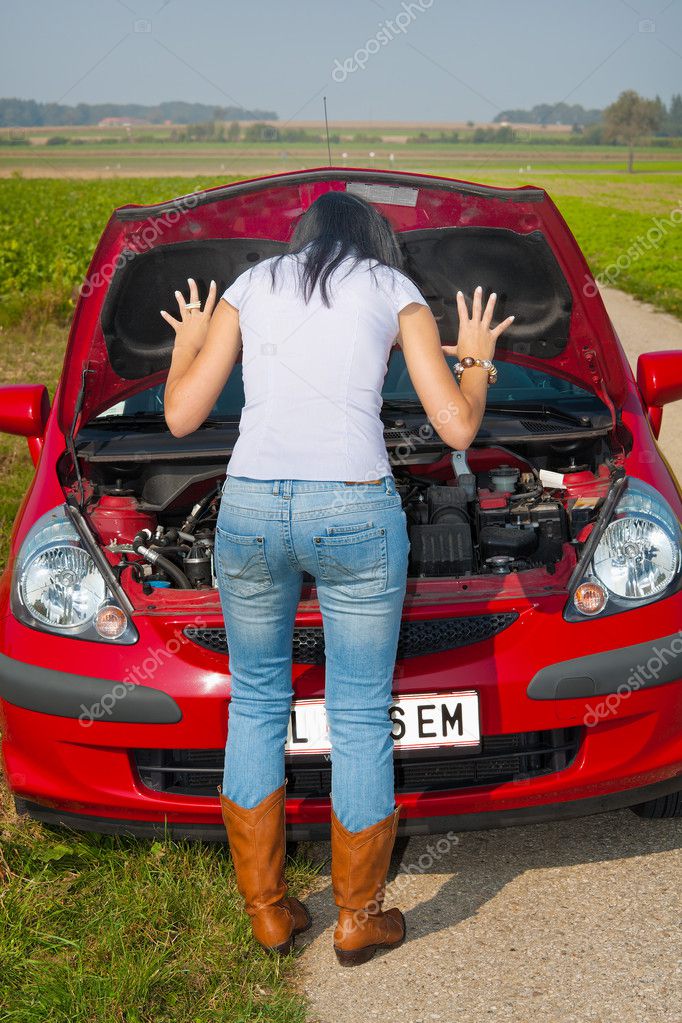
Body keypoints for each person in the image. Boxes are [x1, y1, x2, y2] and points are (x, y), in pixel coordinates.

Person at [161, 190, 514, 966]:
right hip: (354, 506)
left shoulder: (252, 285)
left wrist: (187, 344)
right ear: (376, 238)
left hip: (250, 506)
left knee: (256, 700)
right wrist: (476, 356)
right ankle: (359, 917)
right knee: (357, 712)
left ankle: (268, 911)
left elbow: (182, 416)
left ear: (302, 237)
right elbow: (456, 426)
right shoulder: (394, 290)